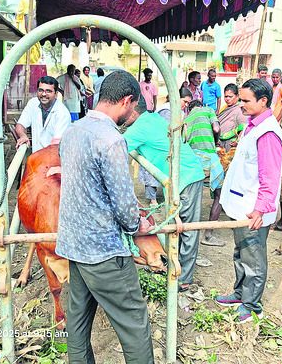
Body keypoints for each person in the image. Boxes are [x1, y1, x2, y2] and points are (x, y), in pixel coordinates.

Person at [56, 70, 154, 364]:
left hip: (74, 245)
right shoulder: (111, 139)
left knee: (77, 322)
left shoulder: (73, 130)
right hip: (104, 252)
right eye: (133, 108)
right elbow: (124, 207)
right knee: (134, 324)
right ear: (126, 101)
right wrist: (139, 225)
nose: (131, 114)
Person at [216, 78, 282, 323]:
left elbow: (270, 178)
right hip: (241, 207)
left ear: (263, 101)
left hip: (253, 211)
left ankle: (252, 305)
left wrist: (260, 209)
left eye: (245, 100)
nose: (240, 104)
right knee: (241, 252)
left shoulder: (268, 133)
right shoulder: (252, 125)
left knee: (253, 258)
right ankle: (240, 293)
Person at [124, 97, 205, 292]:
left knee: (186, 229)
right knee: (175, 226)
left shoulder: (139, 128)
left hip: (186, 177)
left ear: (133, 110)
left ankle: (183, 279)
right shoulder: (153, 118)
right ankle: (173, 268)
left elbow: (111, 149)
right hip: (176, 179)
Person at [184, 100, 226, 247]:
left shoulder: (186, 118)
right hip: (210, 158)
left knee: (192, 195)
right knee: (220, 195)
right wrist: (215, 142)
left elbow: (184, 140)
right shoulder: (208, 111)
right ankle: (207, 235)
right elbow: (216, 128)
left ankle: (187, 233)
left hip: (193, 160)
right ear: (200, 105)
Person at [15, 76, 71, 153]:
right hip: (37, 156)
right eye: (41, 90)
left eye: (48, 91)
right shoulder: (33, 103)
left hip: (54, 158)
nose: (44, 94)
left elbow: (56, 145)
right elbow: (20, 125)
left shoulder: (62, 113)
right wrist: (23, 136)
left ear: (56, 93)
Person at [217, 83, 248, 152]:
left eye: (230, 97)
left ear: (237, 96)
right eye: (226, 96)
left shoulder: (239, 109)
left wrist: (237, 141)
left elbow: (243, 127)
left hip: (230, 144)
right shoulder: (225, 107)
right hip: (220, 143)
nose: (227, 99)